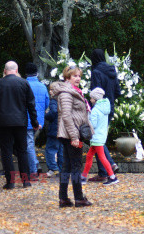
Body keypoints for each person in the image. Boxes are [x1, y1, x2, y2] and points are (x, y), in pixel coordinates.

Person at [0, 61, 40, 189]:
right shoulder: (23, 83)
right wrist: (34, 122)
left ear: (5, 70)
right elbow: (31, 105)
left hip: (3, 123)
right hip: (20, 122)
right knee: (22, 151)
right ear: (16, 70)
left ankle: (10, 181)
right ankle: (26, 180)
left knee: (6, 151)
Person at [50, 66, 92, 207]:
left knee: (67, 165)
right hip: (71, 136)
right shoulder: (66, 93)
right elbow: (66, 116)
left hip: (72, 134)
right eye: (74, 76)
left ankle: (63, 198)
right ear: (67, 78)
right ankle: (79, 198)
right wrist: (74, 137)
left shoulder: (74, 92)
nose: (78, 79)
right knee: (75, 165)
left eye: (79, 76)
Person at [88, 49, 121, 182]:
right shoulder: (112, 71)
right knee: (99, 136)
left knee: (97, 137)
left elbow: (96, 92)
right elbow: (118, 91)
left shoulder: (96, 72)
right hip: (109, 107)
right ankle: (103, 172)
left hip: (99, 107)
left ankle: (110, 164)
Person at [81, 87, 118, 185]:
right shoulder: (104, 107)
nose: (90, 99)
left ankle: (112, 177)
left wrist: (88, 117)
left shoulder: (96, 110)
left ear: (96, 99)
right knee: (89, 156)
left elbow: (93, 125)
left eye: (92, 98)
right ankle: (83, 177)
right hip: (100, 136)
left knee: (102, 158)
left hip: (96, 137)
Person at [25, 62, 49, 176]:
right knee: (30, 143)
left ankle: (34, 169)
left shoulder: (24, 84)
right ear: (37, 73)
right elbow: (46, 103)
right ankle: (35, 165)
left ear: (26, 73)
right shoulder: (42, 86)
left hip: (27, 119)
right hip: (39, 120)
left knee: (29, 144)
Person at [44, 90, 63, 177]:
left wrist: (47, 115)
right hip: (63, 129)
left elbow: (54, 112)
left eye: (51, 90)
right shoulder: (64, 99)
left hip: (54, 129)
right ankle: (61, 169)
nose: (49, 91)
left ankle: (53, 168)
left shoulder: (54, 100)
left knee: (50, 149)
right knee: (61, 150)